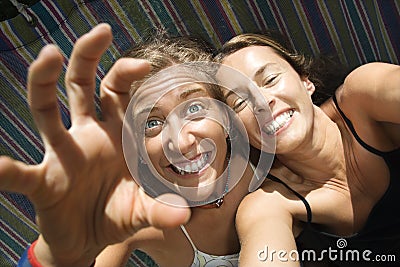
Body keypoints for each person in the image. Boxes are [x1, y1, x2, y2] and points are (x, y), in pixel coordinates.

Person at [0, 24, 270, 267]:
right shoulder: (141, 219)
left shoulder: (269, 160)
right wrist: (54, 255)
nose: (182, 142)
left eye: (195, 107)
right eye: (152, 123)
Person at [215, 33, 400, 266]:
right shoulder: (269, 204)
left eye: (270, 79)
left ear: (305, 81)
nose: (262, 102)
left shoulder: (362, 97)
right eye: (240, 102)